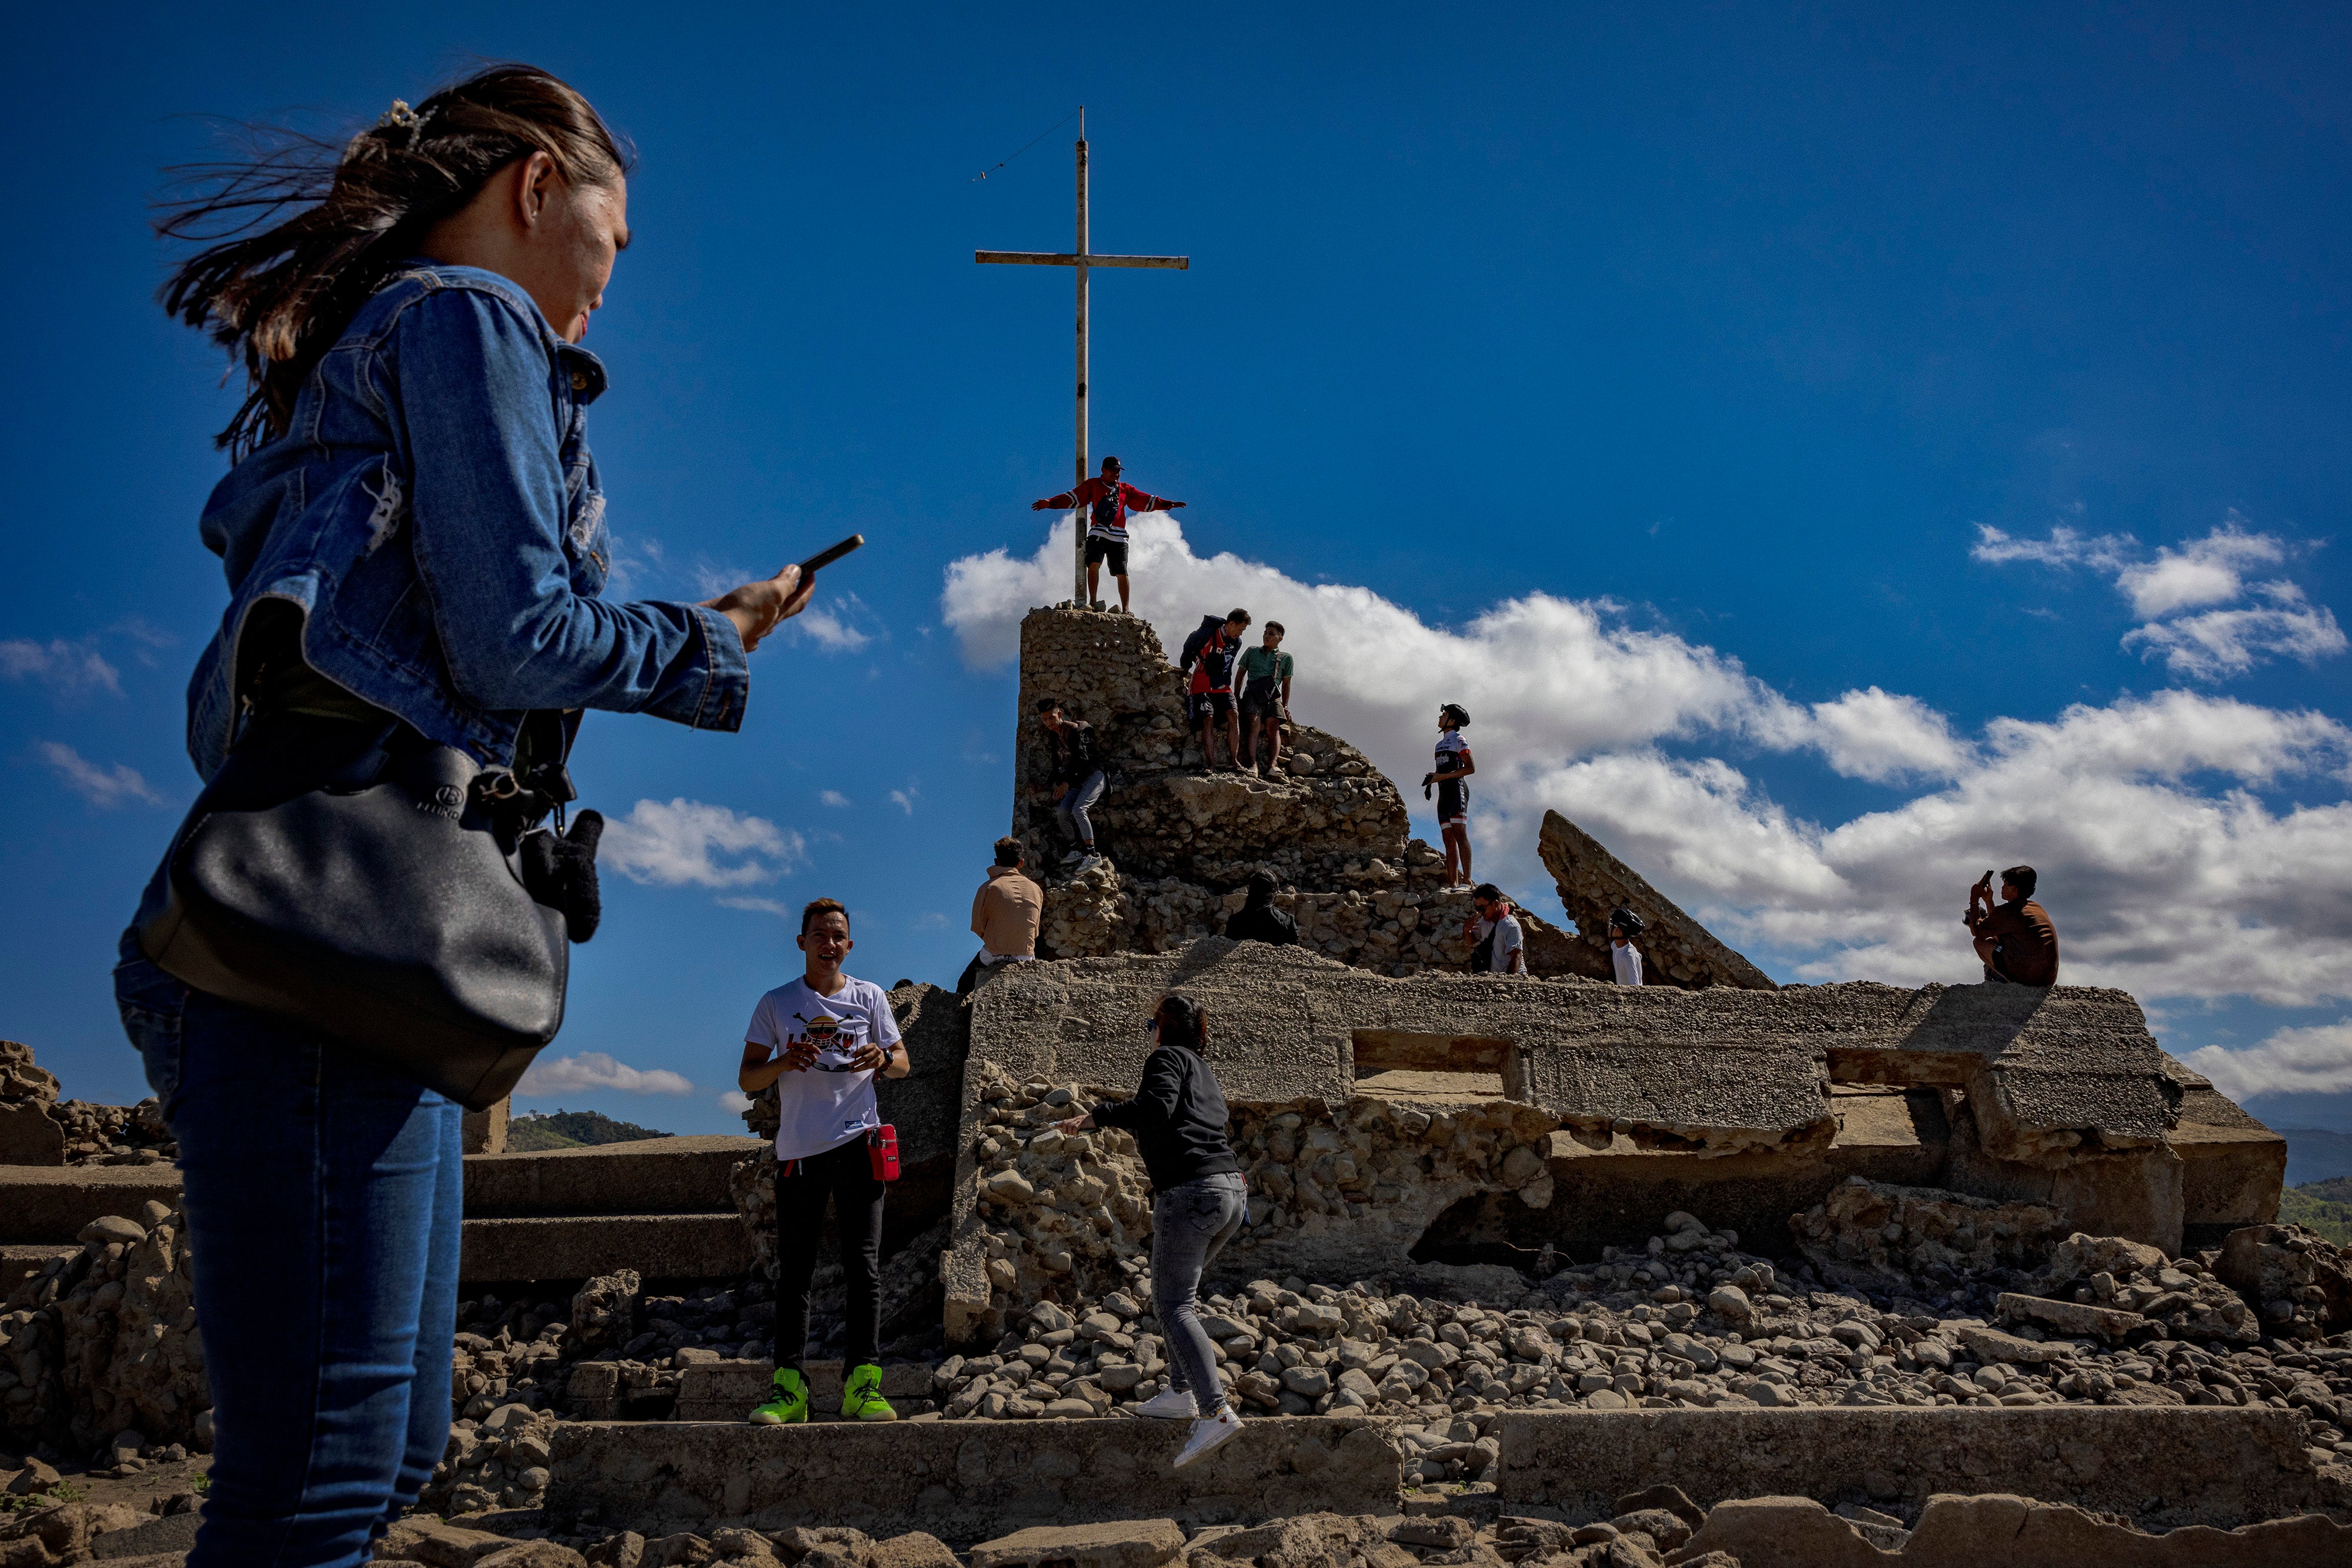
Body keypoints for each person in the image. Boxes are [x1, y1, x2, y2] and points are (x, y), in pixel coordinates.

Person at [119, 67, 818, 1566]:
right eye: (615, 241)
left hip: (337, 945)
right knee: (318, 1482)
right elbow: (515, 635)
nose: (609, 284)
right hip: (324, 957)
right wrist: (712, 639)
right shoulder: (466, 318)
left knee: (387, 1456)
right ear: (536, 189)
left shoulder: (372, 349)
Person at [739, 899, 912, 1425]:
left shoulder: (870, 996)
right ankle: (789, 1390)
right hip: (799, 1152)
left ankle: (863, 1385)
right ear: (802, 942)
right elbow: (747, 1077)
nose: (829, 943)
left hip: (860, 1145)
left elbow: (903, 1062)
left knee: (865, 1268)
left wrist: (883, 1057)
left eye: (838, 935)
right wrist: (783, 1062)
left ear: (849, 945)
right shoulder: (777, 1002)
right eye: (819, 934)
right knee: (796, 1274)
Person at [1057, 994, 1247, 1470]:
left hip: (1191, 1192)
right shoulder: (1203, 1071)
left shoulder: (1165, 1057)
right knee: (1181, 1297)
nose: (1150, 1032)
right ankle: (1181, 1393)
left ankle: (1215, 1411)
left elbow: (1156, 1106)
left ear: (1162, 1027)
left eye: (1151, 1023)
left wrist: (1098, 1115)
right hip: (1230, 1192)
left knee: (1173, 1303)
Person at [1030, 455, 1185, 612]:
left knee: (1122, 572)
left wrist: (1167, 504)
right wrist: (1050, 503)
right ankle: (1092, 602)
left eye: (1118, 472)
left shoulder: (1126, 489)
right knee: (1094, 564)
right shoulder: (1093, 485)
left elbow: (1144, 500)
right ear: (1103, 470)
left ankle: (1126, 609)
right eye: (1113, 471)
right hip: (1099, 531)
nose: (1116, 474)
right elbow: (1074, 497)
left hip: (1119, 535)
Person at [960, 837, 1043, 993]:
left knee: (963, 985)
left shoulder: (987, 888)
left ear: (996, 862)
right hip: (1025, 956)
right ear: (1021, 862)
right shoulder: (1035, 889)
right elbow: (1035, 930)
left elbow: (978, 927)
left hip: (994, 954)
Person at [1035, 698, 1107, 869]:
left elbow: (1083, 759)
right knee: (1062, 812)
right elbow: (1057, 765)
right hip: (1076, 783)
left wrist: (1067, 783)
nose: (1048, 723)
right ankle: (1075, 850)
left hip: (1094, 777)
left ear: (1059, 714)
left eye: (1051, 718)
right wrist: (1046, 785)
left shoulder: (1074, 731)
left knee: (1079, 809)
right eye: (1044, 720)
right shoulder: (1054, 738)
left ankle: (1093, 855)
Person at [1180, 609, 1251, 771]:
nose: (1240, 634)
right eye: (1240, 629)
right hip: (1201, 683)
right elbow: (1187, 651)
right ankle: (1210, 764)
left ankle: (1234, 761)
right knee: (1208, 719)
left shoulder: (1236, 643)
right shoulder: (1204, 635)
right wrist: (1185, 669)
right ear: (1231, 624)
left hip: (1222, 686)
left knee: (1234, 714)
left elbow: (1228, 663)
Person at [1966, 865, 2060, 987]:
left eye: (2005, 885)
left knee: (1980, 943)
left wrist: (1974, 899)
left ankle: (2010, 983)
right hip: (2047, 979)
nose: (2002, 888)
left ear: (2013, 889)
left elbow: (1976, 931)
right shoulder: (2035, 908)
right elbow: (1998, 928)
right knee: (1998, 943)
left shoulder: (2010, 911)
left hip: (2028, 978)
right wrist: (1989, 901)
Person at [1423, 704, 1476, 892]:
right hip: (1443, 793)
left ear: (1452, 720)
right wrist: (1432, 782)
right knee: (1447, 838)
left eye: (1444, 714)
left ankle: (1467, 882)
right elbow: (1441, 770)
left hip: (1457, 790)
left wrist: (1442, 777)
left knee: (1460, 834)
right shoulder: (1439, 745)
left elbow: (1470, 768)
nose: (1440, 717)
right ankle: (1452, 883)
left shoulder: (1459, 739)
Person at [1235, 622, 1295, 778]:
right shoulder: (1252, 651)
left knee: (1273, 726)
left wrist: (1285, 705)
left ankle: (1272, 766)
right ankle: (1253, 764)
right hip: (1252, 692)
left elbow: (1287, 683)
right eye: (1265, 633)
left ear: (1280, 638)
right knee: (1254, 724)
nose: (1266, 636)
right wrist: (1236, 695)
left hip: (1272, 695)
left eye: (1271, 634)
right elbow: (1241, 673)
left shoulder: (1286, 658)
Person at [1460, 884, 1526, 975]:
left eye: (1482, 908)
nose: (1479, 912)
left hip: (1515, 977)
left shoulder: (1511, 926)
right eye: (1478, 908)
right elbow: (1471, 941)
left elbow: (1516, 957)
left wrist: (1506, 981)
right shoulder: (1484, 921)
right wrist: (1467, 930)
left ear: (1495, 904)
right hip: (1495, 976)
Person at [1222, 869, 1299, 946]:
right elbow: (1296, 954)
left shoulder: (1235, 922)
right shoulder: (1287, 921)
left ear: (1251, 892)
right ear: (1275, 894)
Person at [1607, 907, 1645, 985]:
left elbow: (1635, 986)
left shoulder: (1628, 955)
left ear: (1618, 930)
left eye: (1611, 925)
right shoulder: (1614, 945)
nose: (1609, 928)